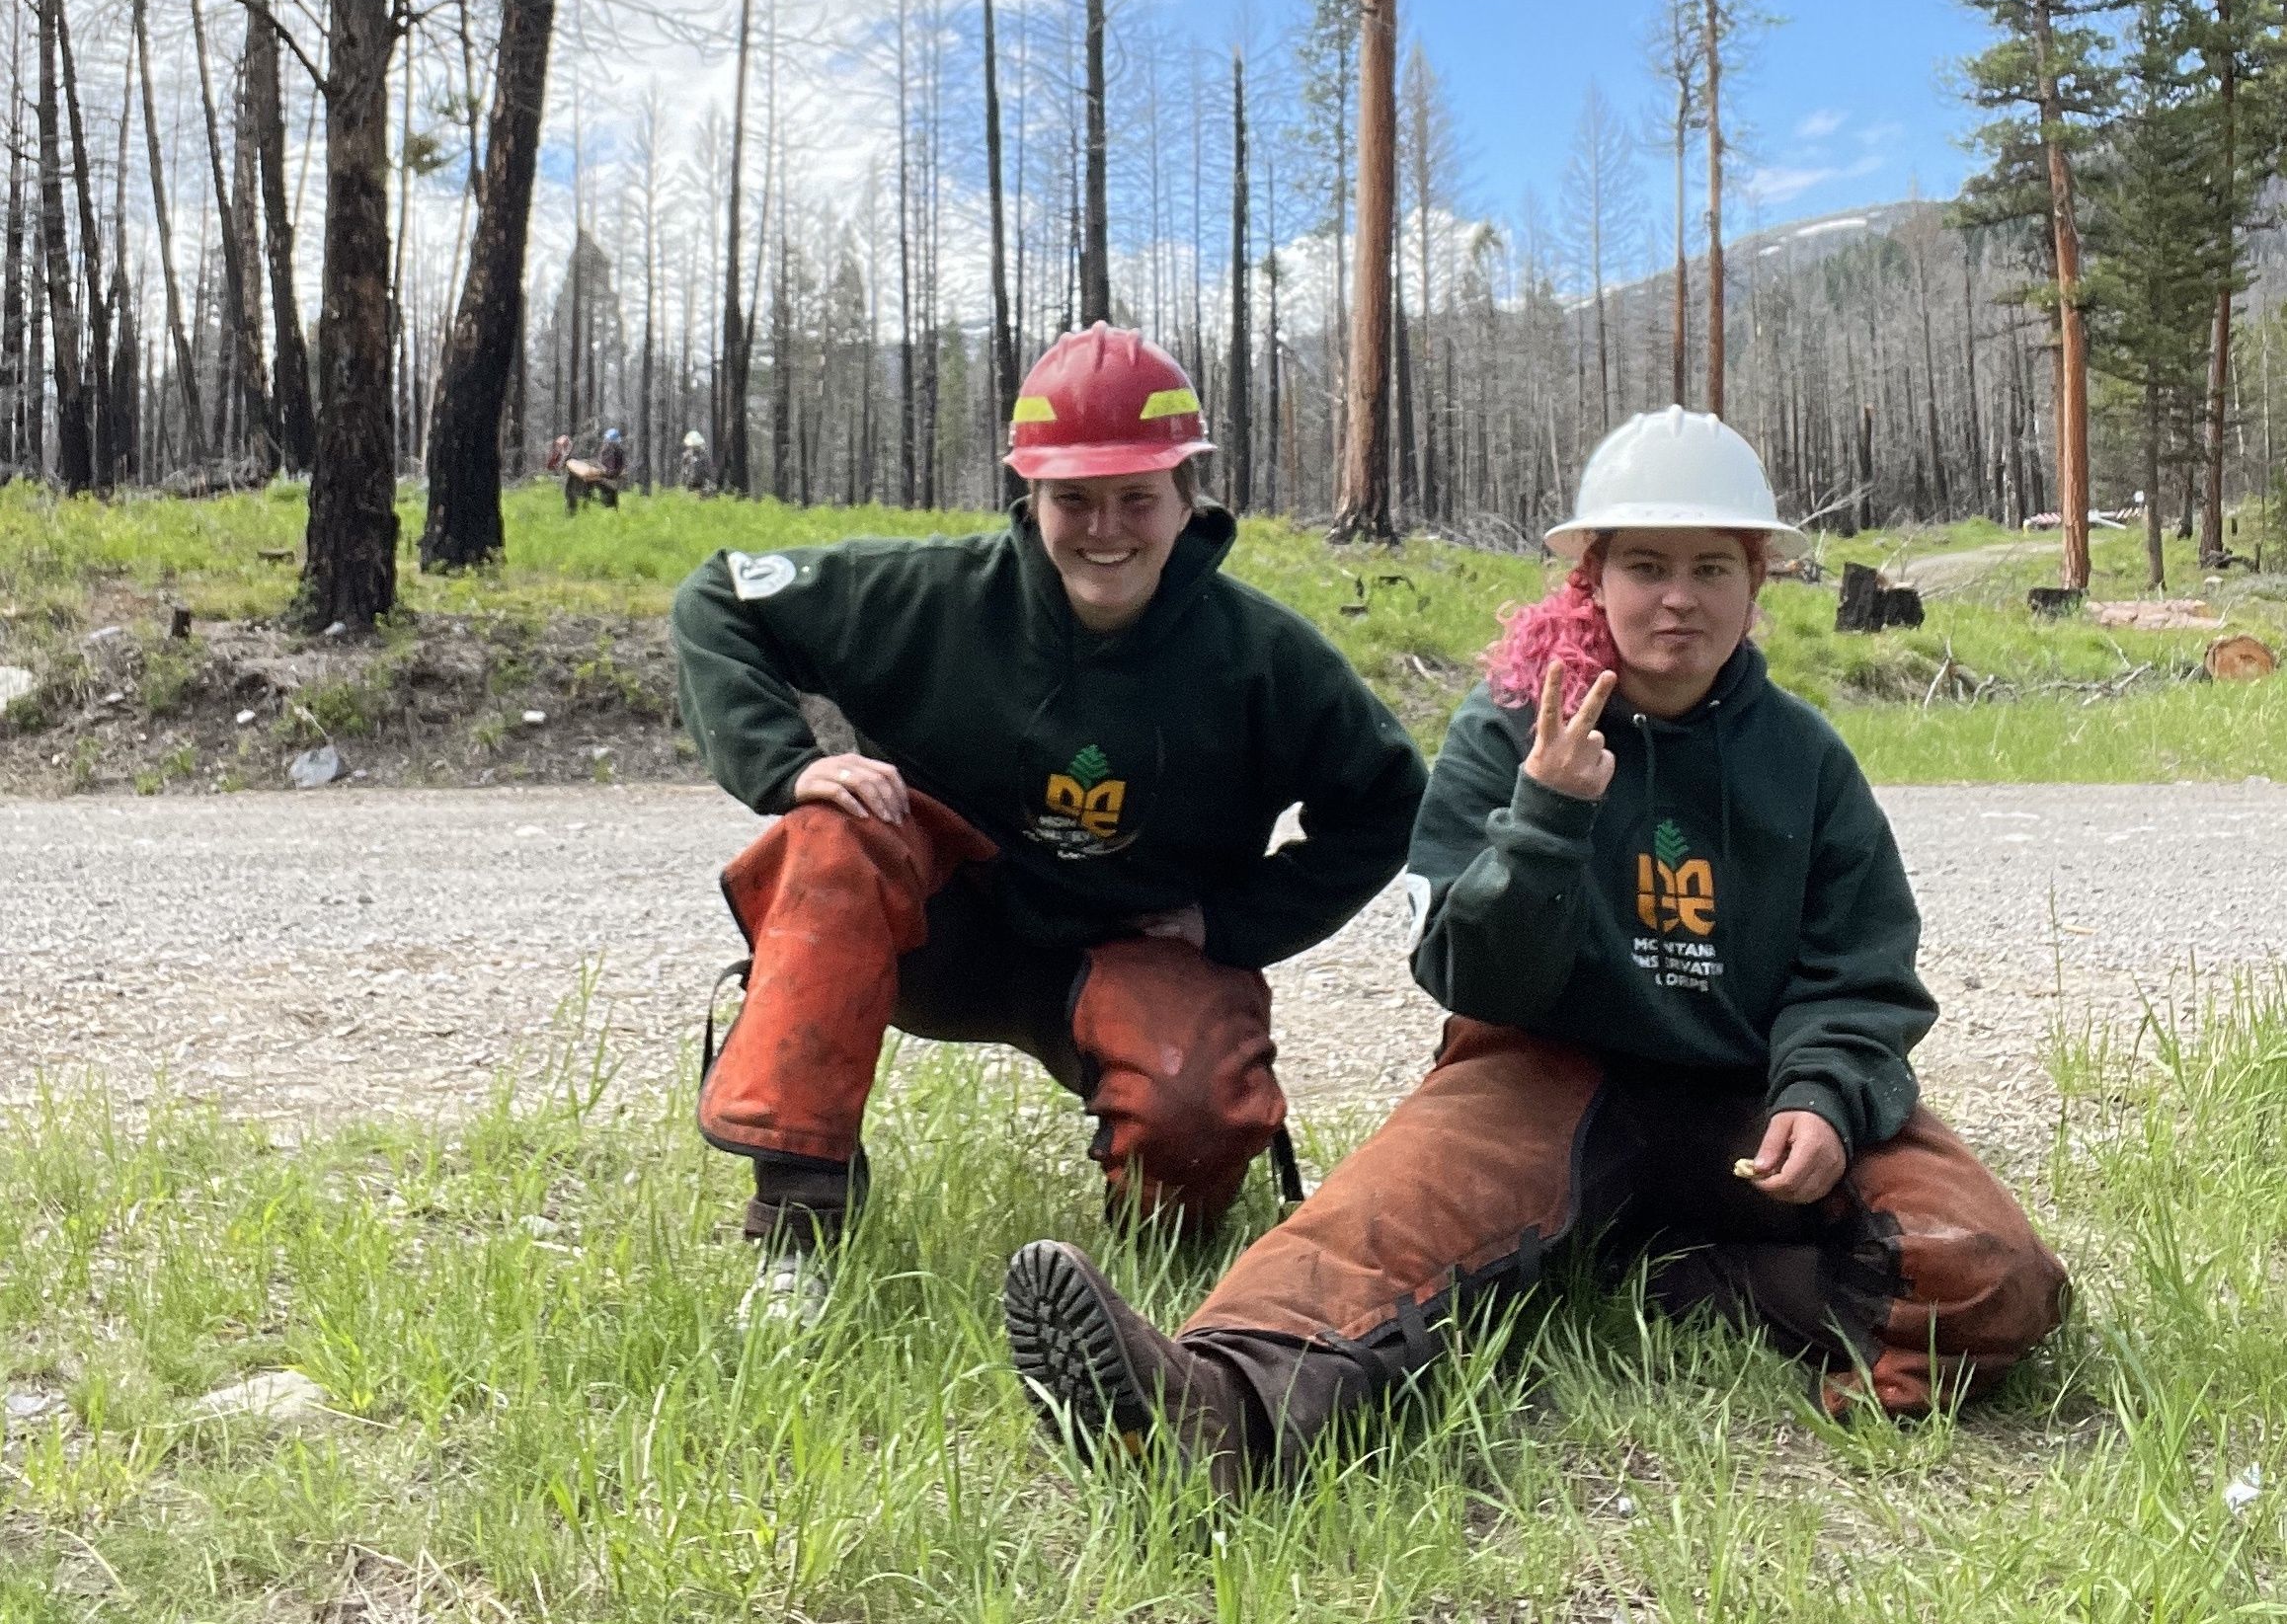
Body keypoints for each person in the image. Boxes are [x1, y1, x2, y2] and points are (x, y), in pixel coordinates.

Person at [1002, 405, 2069, 1484]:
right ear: (1591, 577)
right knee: (1379, 1222)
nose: (1678, 598)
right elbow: (1470, 974)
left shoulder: (1807, 760)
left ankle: (1686, 1277)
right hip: (1541, 1068)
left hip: (1752, 1091)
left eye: (1712, 567)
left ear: (1758, 581)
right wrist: (1548, 816)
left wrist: (1825, 1093)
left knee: (1995, 1272)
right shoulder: (1508, 726)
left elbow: (1861, 968)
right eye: (1646, 564)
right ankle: (1211, 1408)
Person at [670, 324, 1426, 1272]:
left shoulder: (1266, 658)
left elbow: (1389, 802)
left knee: (1193, 1120)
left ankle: (1157, 1249)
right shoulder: (929, 597)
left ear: (1187, 499)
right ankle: (800, 1221)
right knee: (831, 837)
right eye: (1074, 498)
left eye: (1136, 499)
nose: (1105, 530)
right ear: (1029, 494)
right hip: (936, 941)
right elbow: (717, 597)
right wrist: (785, 766)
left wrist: (1231, 922)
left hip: (1133, 950)